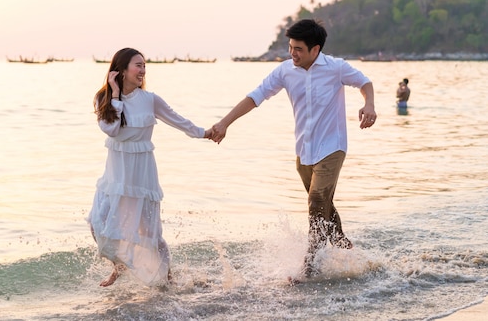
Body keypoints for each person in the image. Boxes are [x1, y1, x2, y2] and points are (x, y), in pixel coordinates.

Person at [210, 19, 377, 278]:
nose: (292, 53)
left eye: (298, 48)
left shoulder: (336, 68)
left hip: (333, 147)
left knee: (317, 199)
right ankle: (345, 248)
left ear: (315, 49)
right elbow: (256, 96)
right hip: (304, 152)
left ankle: (310, 265)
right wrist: (225, 123)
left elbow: (365, 83)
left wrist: (369, 105)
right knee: (324, 206)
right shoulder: (285, 71)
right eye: (290, 47)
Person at [89, 47, 212, 287]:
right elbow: (111, 129)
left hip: (142, 175)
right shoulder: (103, 98)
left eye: (144, 66)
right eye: (138, 65)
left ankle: (168, 279)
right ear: (121, 70)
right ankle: (119, 265)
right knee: (98, 223)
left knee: (151, 234)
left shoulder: (150, 100)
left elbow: (176, 119)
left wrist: (203, 133)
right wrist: (115, 96)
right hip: (115, 174)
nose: (143, 70)